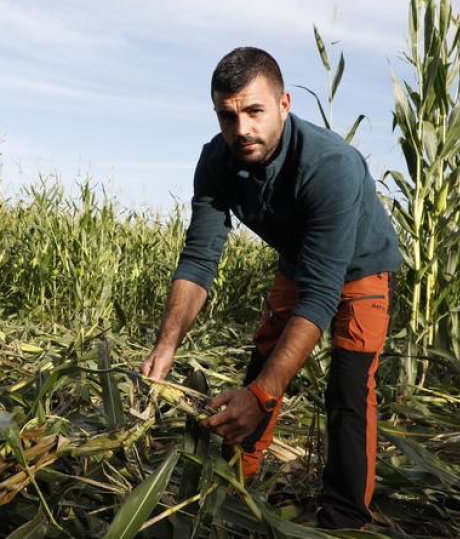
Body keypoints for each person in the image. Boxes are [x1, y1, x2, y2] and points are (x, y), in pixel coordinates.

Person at [140, 46, 401, 529]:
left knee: (348, 389)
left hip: (361, 267)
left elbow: (321, 294)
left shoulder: (331, 165)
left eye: (254, 111)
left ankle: (346, 519)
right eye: (227, 116)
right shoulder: (216, 161)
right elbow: (199, 260)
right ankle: (235, 483)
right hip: (299, 261)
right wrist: (167, 344)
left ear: (284, 105)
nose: (241, 129)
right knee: (263, 361)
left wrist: (260, 396)